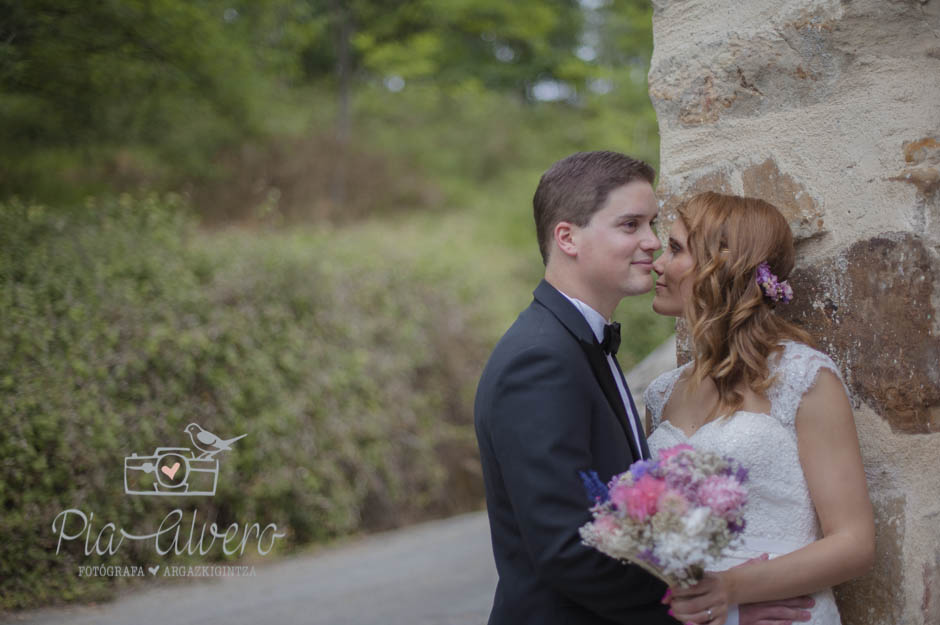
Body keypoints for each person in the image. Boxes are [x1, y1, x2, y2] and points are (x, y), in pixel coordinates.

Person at [474, 152, 819, 625]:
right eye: (630, 225)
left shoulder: (579, 347)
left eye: (652, 224)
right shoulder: (541, 359)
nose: (652, 243)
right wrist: (700, 614)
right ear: (567, 237)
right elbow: (566, 549)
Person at [645, 192, 876, 625]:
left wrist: (730, 589)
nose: (657, 263)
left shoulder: (804, 378)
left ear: (722, 266)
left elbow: (854, 543)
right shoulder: (661, 394)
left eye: (674, 249)